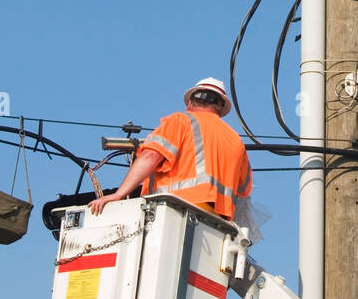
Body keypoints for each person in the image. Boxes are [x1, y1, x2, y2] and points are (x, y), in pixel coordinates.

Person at [88, 77, 252, 224]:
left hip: (175, 211)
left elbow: (151, 155)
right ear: (220, 108)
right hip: (217, 226)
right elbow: (243, 195)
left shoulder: (181, 121)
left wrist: (119, 195)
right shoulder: (237, 141)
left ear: (190, 103)